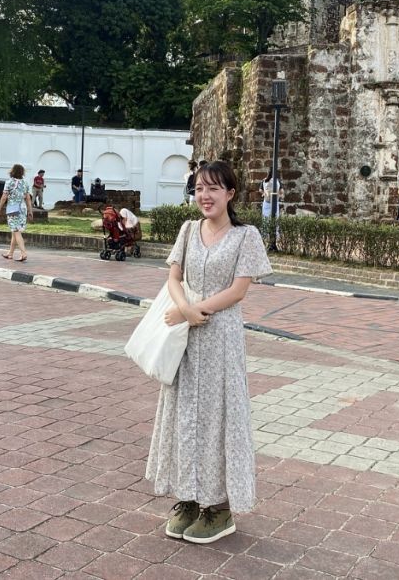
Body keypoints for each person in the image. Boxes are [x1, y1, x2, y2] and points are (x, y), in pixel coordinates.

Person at [148, 161, 272, 544]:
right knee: (183, 412)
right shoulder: (187, 230)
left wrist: (195, 310)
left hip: (220, 336)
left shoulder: (245, 236)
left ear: (231, 193)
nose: (205, 196)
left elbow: (238, 291)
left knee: (218, 415)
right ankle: (187, 497)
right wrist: (186, 309)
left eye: (214, 188)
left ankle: (218, 507)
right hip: (185, 334)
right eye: (199, 188)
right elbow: (173, 276)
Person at [0, 164, 34, 262]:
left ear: (12, 171)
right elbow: (28, 198)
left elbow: (4, 196)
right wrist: (30, 211)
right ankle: (10, 253)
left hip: (13, 208)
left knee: (16, 231)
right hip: (22, 208)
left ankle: (23, 253)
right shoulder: (25, 183)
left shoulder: (9, 182)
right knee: (15, 231)